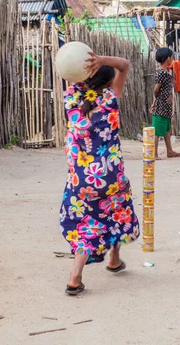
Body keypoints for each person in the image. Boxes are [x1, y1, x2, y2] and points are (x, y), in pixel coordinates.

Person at [60, 53, 139, 296]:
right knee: (117, 212)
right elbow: (124, 65)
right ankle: (114, 259)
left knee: (87, 223)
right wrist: (102, 59)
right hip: (110, 177)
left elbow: (68, 70)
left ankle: (76, 276)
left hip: (81, 179)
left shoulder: (71, 99)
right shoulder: (110, 99)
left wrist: (80, 67)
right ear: (107, 81)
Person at [151, 47, 180, 159]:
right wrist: (156, 101)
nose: (172, 59)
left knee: (166, 129)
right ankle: (154, 154)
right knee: (156, 130)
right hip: (161, 106)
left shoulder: (165, 72)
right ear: (167, 58)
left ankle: (169, 151)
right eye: (171, 57)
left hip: (165, 106)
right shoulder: (162, 73)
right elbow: (156, 89)